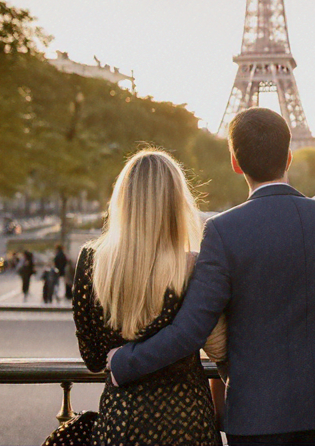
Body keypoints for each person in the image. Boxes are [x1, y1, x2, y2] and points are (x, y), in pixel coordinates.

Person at [109, 108, 315, 446]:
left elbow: (191, 330)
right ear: (288, 157)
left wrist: (126, 362)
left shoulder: (222, 231)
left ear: (235, 162)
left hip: (258, 413)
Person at [71, 149, 226, 445]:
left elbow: (91, 357)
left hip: (122, 421)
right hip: (187, 419)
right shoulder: (193, 266)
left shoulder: (91, 261)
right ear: (176, 204)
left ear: (122, 201)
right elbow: (218, 348)